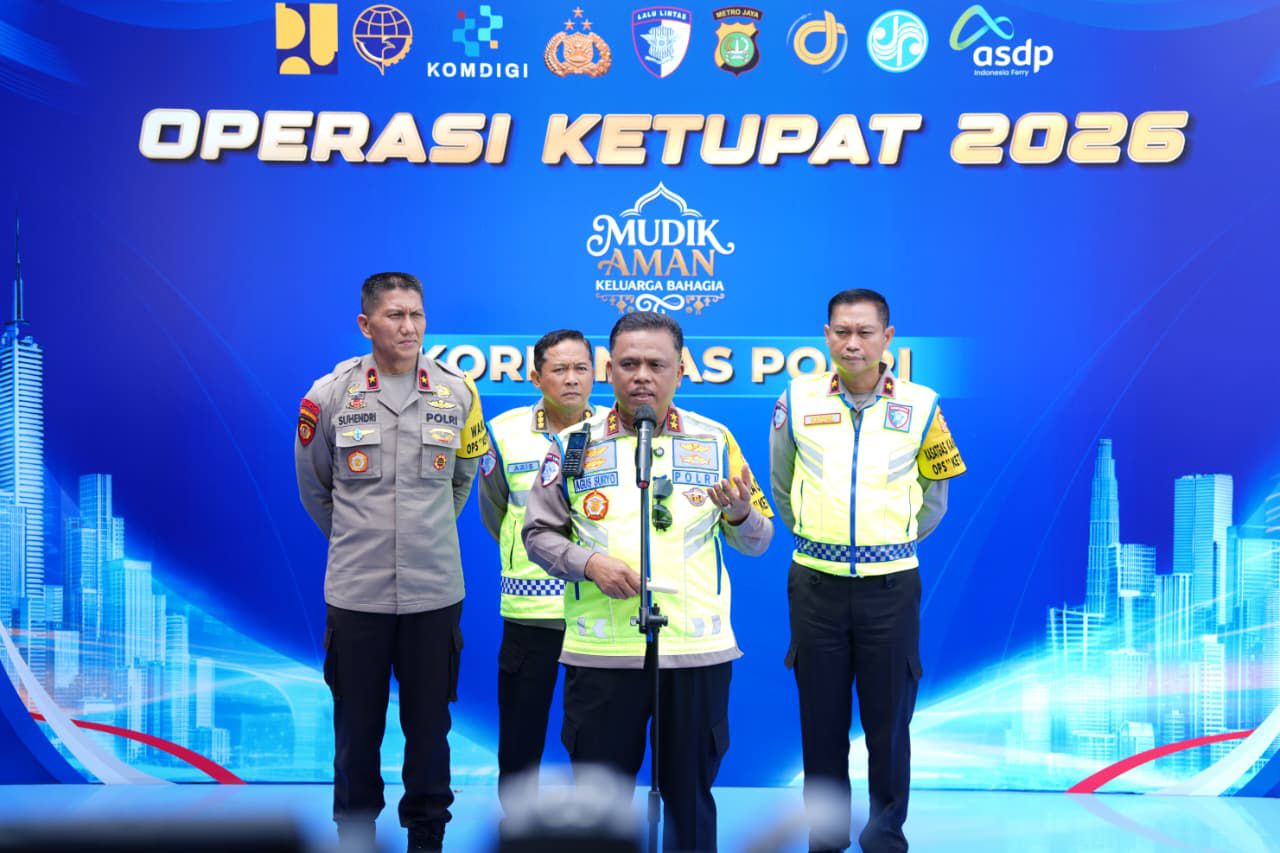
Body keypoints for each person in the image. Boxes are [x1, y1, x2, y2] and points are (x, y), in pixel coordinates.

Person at [522, 311, 774, 852]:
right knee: (598, 810)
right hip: (601, 652)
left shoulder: (716, 440)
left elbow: (759, 539)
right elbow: (538, 535)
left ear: (679, 371)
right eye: (629, 363)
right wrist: (589, 564)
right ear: (609, 370)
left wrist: (739, 514)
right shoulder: (572, 445)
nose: (642, 376)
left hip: (694, 652)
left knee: (689, 801)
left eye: (656, 365)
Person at [295, 272, 489, 852]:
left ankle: (427, 833)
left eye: (417, 315)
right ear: (366, 324)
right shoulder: (329, 395)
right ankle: (356, 832)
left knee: (430, 727)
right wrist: (361, 539)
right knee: (357, 729)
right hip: (358, 594)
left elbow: (462, 480)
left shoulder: (458, 392)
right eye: (395, 315)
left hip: (435, 591)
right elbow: (315, 489)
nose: (409, 327)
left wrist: (424, 535)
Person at [770, 288, 966, 853]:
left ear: (888, 338)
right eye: (841, 332)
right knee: (821, 723)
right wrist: (822, 538)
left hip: (891, 587)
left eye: (864, 332)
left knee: (889, 725)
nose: (852, 343)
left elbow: (935, 497)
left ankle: (884, 837)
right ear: (826, 336)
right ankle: (826, 837)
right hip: (815, 585)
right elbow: (781, 484)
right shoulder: (795, 399)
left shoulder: (923, 405)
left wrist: (888, 543)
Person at [476, 329, 596, 813]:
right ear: (535, 376)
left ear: (596, 374)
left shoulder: (614, 431)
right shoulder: (503, 432)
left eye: (581, 368)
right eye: (559, 369)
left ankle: (596, 827)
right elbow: (494, 510)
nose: (571, 379)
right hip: (530, 612)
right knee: (521, 733)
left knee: (593, 736)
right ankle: (516, 824)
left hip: (596, 613)